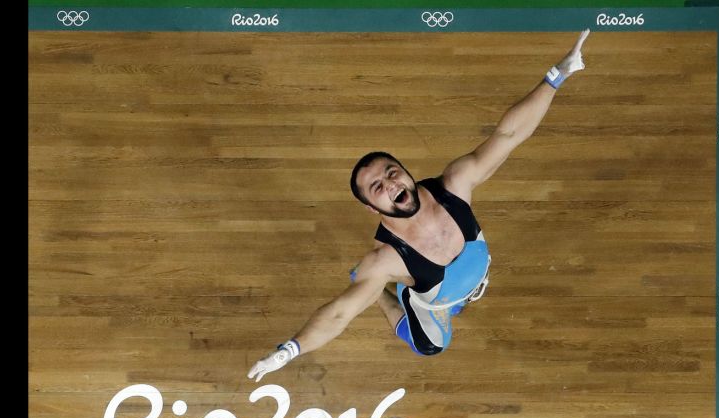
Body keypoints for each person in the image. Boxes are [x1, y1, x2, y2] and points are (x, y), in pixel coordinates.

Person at [248, 29, 591, 382]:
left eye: (392, 173)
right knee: (429, 346)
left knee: (453, 299)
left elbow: (509, 135)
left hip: (464, 280)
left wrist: (557, 75)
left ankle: (455, 298)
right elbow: (339, 314)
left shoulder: (456, 184)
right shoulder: (386, 260)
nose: (391, 184)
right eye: (377, 188)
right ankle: (385, 296)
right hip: (429, 299)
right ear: (372, 208)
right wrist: (289, 350)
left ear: (407, 172)